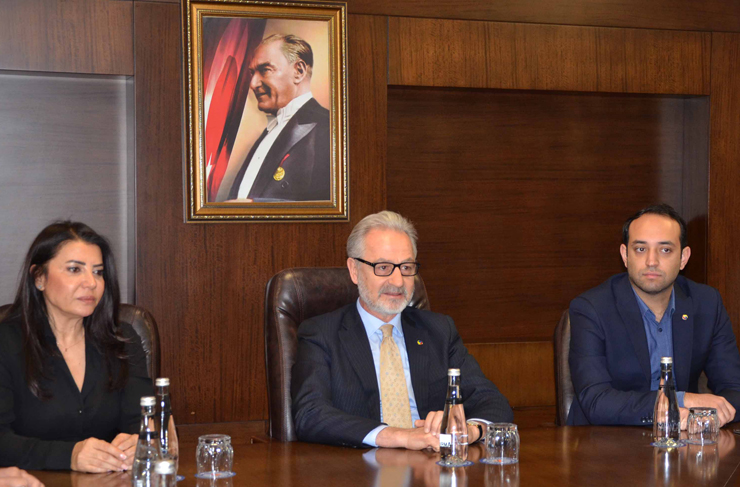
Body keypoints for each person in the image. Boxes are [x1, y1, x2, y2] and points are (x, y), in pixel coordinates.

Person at [292, 211, 513, 449]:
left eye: (406, 267)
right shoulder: (321, 334)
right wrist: (400, 436)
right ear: (354, 270)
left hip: (432, 463)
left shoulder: (438, 331)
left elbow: (493, 402)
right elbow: (310, 414)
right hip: (361, 465)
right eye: (383, 267)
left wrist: (468, 430)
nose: (398, 281)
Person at [568, 204, 740, 427]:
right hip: (605, 440)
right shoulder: (592, 308)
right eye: (640, 249)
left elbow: (734, 389)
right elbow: (596, 402)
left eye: (665, 250)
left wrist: (709, 415)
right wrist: (680, 400)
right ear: (625, 255)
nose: (651, 261)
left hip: (683, 440)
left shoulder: (706, 303)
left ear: (683, 258)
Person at [0, 222, 153, 471]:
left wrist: (140, 442)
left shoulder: (121, 340)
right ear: (39, 277)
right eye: (74, 269)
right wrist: (69, 455)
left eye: (98, 272)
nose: (91, 282)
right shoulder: (6, 343)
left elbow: (143, 420)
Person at [227, 34, 330, 202]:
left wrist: (255, 207)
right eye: (252, 73)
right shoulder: (271, 129)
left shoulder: (329, 128)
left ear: (299, 71)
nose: (252, 84)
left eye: (265, 70)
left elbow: (330, 205)